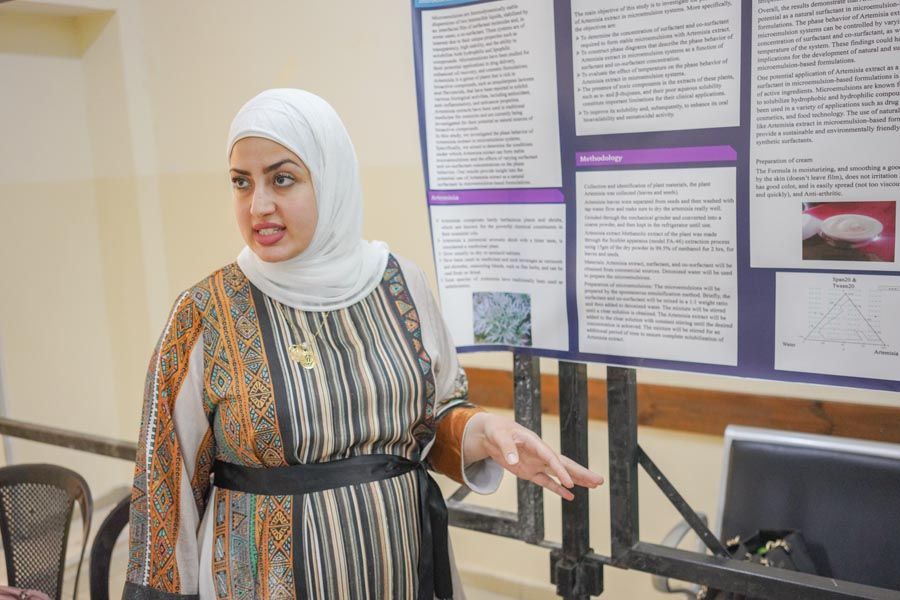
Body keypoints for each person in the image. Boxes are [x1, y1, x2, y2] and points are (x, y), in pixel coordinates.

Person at [123, 88, 603, 600]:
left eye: (282, 179)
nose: (258, 205)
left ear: (331, 178)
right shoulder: (206, 313)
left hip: (403, 574)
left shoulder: (400, 285)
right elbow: (165, 487)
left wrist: (484, 432)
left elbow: (434, 417)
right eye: (242, 182)